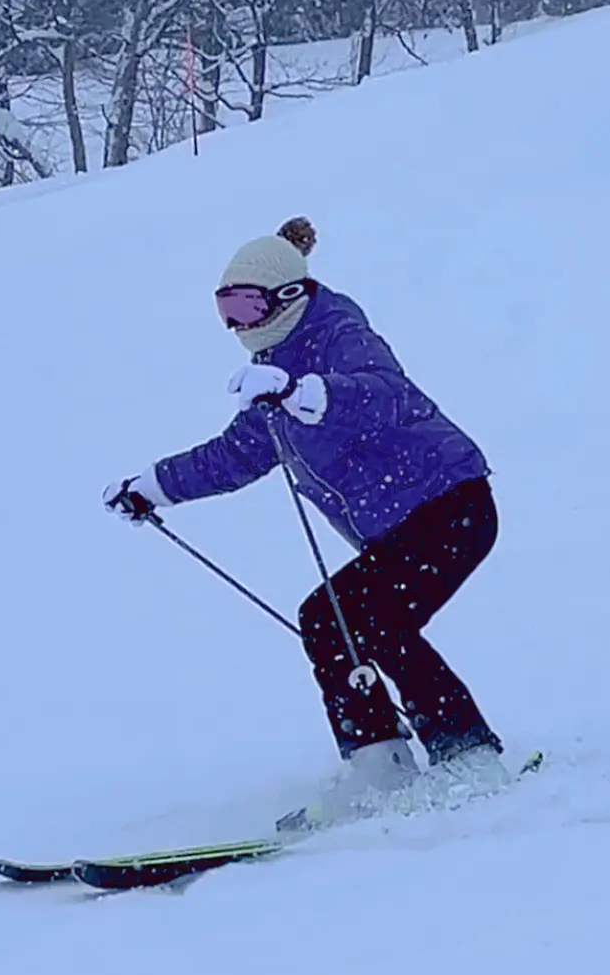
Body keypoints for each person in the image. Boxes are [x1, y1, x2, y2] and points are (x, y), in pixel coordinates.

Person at [104, 216, 503, 818]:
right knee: (333, 617)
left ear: (288, 296)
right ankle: (381, 765)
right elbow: (235, 455)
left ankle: (467, 757)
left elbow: (382, 390)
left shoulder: (337, 331)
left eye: (245, 306)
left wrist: (305, 392)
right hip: (406, 527)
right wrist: (152, 488)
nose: (236, 325)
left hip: (452, 505)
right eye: (225, 312)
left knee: (367, 619)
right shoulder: (271, 369)